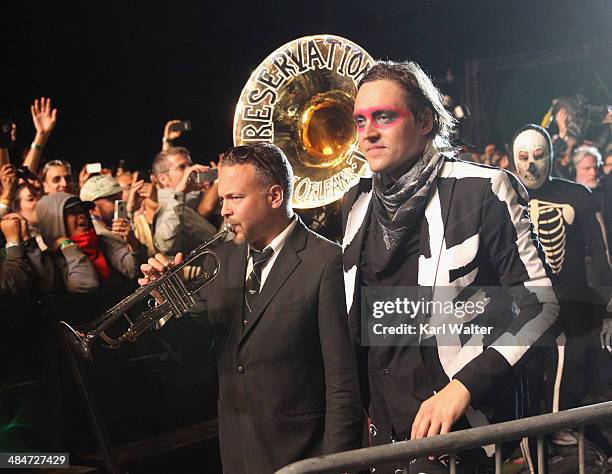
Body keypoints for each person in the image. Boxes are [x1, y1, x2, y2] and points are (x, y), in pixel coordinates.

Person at [342, 60, 559, 472]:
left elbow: (542, 306)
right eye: (359, 121)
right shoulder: (357, 203)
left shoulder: (483, 189)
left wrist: (463, 387)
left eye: (384, 117)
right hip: (383, 437)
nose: (368, 133)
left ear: (425, 120)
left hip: (464, 436)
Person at [140, 142, 363, 473]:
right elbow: (198, 355)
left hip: (303, 456)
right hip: (237, 454)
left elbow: (343, 385)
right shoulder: (223, 258)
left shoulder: (326, 261)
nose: (224, 210)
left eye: (235, 198)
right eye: (224, 197)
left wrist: (335, 466)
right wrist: (167, 306)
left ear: (274, 197)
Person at [511, 124, 612, 462]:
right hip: (522, 304)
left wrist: (607, 301)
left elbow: (600, 251)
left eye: (539, 156)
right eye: (523, 158)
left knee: (571, 361)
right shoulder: (504, 195)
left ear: (552, 157)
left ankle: (556, 427)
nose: (531, 166)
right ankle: (530, 437)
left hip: (571, 303)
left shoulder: (577, 195)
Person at [151, 147, 218, 256]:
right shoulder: (167, 208)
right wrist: (180, 192)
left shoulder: (185, 205)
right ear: (164, 179)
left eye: (190, 165)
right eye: (182, 167)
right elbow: (165, 245)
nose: (191, 170)